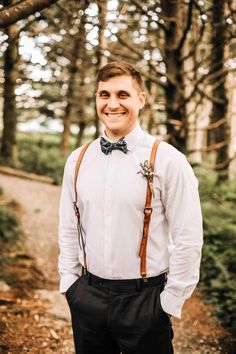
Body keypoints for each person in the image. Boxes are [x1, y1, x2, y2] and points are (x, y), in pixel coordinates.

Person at [58, 61, 203, 354]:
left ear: (140, 99)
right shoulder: (77, 160)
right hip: (87, 296)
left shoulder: (168, 160)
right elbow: (69, 226)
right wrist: (70, 284)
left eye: (122, 94)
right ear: (97, 99)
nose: (113, 104)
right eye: (104, 95)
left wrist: (169, 301)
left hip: (145, 300)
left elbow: (188, 236)